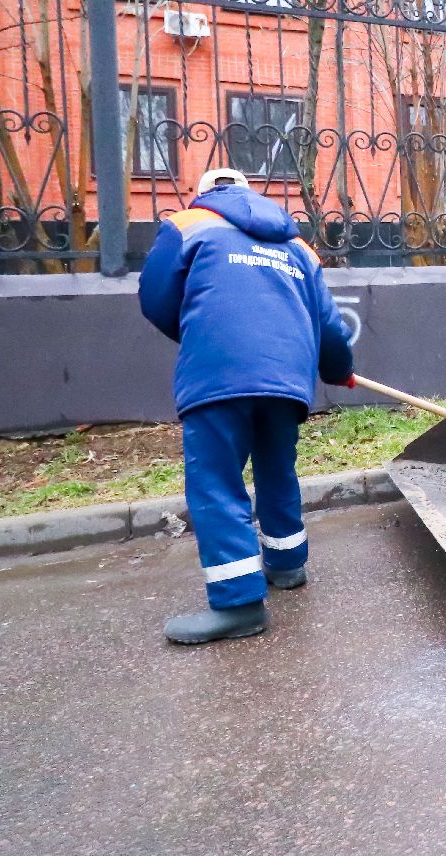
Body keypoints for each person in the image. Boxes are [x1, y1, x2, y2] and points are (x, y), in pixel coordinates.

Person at [138, 167, 355, 645]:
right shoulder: (299, 246)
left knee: (216, 483)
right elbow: (330, 327)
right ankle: (287, 564)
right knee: (277, 468)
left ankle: (239, 605)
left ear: (205, 193)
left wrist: (201, 325)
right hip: (286, 377)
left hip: (218, 372)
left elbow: (154, 299)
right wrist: (338, 369)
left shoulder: (188, 224)